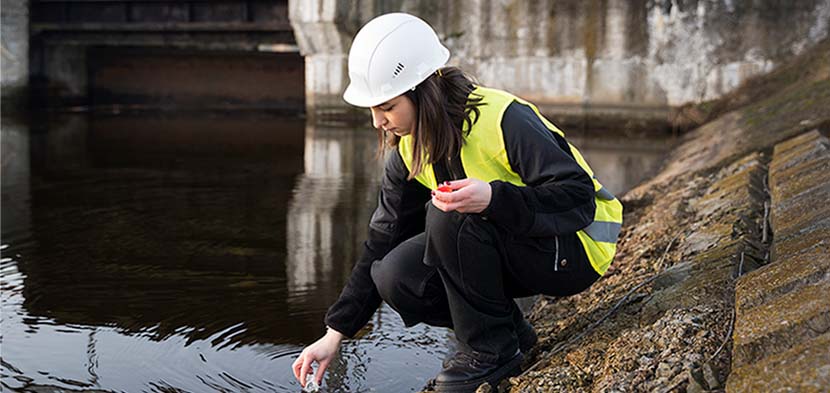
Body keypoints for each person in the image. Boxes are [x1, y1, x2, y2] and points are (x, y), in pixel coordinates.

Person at [292, 12, 622, 393]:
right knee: (394, 274)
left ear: (423, 89)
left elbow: (577, 196)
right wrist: (335, 332)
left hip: (577, 248)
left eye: (386, 107)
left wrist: (494, 199)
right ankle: (509, 333)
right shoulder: (409, 150)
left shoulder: (503, 119)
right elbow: (380, 242)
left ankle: (489, 352)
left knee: (448, 216)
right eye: (372, 109)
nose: (377, 123)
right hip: (521, 245)